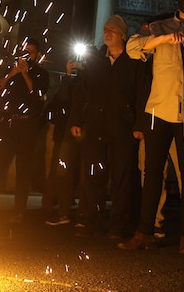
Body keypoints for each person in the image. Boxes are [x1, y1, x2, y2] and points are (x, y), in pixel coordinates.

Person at [118, 0, 184, 254]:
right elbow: (132, 48)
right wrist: (163, 39)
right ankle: (144, 231)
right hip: (159, 108)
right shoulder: (159, 26)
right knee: (153, 172)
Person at [68, 15, 150, 240]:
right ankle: (91, 221)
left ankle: (119, 226)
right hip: (95, 128)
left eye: (113, 29)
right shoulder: (96, 62)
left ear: (123, 34)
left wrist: (139, 124)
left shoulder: (133, 63)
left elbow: (142, 94)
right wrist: (76, 119)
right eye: (106, 28)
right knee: (92, 177)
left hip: (122, 129)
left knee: (122, 179)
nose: (108, 31)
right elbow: (80, 92)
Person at [0, 37, 51, 223]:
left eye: (31, 52)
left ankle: (19, 210)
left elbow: (38, 96)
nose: (26, 55)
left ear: (38, 55)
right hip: (7, 125)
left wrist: (26, 74)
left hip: (27, 126)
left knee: (23, 170)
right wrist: (12, 73)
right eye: (24, 51)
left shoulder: (41, 74)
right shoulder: (10, 70)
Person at [42, 59, 82, 226]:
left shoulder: (83, 83)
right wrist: (67, 75)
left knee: (61, 172)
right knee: (60, 171)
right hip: (63, 132)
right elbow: (60, 98)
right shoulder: (74, 82)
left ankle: (59, 211)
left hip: (68, 134)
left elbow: (65, 98)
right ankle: (57, 208)